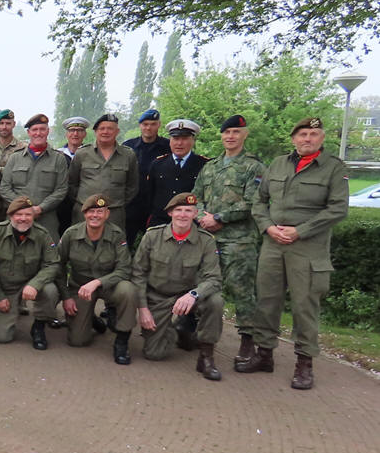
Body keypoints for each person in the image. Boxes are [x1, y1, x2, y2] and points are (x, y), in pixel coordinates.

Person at [240, 117, 349, 390]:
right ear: (293, 138)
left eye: (313, 134)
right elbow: (259, 201)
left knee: (304, 305)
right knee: (267, 300)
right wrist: (267, 227)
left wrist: (300, 231)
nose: (307, 139)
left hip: (308, 247)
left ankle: (304, 363)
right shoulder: (278, 164)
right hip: (274, 243)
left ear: (322, 138)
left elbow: (337, 209)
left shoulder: (333, 168)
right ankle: (264, 354)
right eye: (302, 134)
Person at [193, 114, 267, 365]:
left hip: (239, 241)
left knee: (242, 291)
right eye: (227, 133)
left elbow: (253, 203)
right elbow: (196, 196)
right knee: (205, 286)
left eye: (236, 132)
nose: (231, 137)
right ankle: (201, 336)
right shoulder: (211, 166)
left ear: (244, 135)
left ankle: (247, 341)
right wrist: (203, 216)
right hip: (209, 238)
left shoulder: (254, 167)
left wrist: (220, 217)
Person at [132, 193, 224, 380]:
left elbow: (214, 278)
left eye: (188, 211)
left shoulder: (205, 241)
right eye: (178, 210)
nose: (183, 215)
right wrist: (142, 308)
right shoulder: (152, 236)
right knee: (154, 354)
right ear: (170, 213)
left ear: (195, 214)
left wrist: (193, 294)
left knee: (215, 301)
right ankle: (178, 330)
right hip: (159, 297)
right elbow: (138, 273)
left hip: (189, 297)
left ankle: (206, 357)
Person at [57, 195, 138, 364]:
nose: (95, 215)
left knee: (128, 290)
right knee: (77, 341)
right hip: (80, 288)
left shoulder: (116, 234)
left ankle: (122, 340)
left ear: (107, 214)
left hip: (109, 286)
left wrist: (98, 282)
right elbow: (59, 266)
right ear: (84, 214)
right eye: (91, 211)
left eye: (100, 212)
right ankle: (90, 318)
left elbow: (124, 269)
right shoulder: (71, 234)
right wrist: (66, 297)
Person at [0, 196, 61, 349]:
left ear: (33, 216)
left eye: (28, 214)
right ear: (10, 216)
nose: (23, 218)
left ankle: (39, 326)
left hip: (29, 284)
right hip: (5, 287)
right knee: (2, 337)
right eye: (18, 214)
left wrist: (35, 284)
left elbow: (52, 264)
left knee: (50, 290)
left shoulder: (42, 234)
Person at [1, 113, 69, 236]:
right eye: (35, 130)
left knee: (48, 253)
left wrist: (40, 208)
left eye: (42, 129)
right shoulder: (15, 158)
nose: (38, 133)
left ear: (48, 131)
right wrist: (23, 208)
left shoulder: (58, 159)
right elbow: (4, 188)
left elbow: (61, 190)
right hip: (17, 217)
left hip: (46, 219)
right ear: (29, 133)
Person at [68, 114, 139, 231]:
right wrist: (84, 202)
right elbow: (72, 183)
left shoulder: (128, 155)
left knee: (113, 246)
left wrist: (116, 203)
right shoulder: (82, 154)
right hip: (84, 213)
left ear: (117, 131)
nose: (106, 132)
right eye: (102, 128)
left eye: (110, 128)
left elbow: (132, 186)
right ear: (95, 131)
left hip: (114, 213)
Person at [144, 119, 209, 227]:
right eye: (175, 138)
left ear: (193, 141)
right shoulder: (157, 164)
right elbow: (149, 196)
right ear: (170, 140)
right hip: (161, 224)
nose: (179, 143)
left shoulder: (205, 165)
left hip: (192, 224)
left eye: (184, 139)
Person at [123, 109, 171, 244]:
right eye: (145, 124)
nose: (148, 127)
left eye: (152, 124)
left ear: (159, 125)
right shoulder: (128, 147)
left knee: (156, 246)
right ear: (140, 125)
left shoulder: (168, 146)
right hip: (131, 206)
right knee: (124, 245)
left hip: (156, 207)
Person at [56, 116, 90, 234]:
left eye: (79, 131)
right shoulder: (57, 154)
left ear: (84, 134)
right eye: (72, 131)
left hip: (84, 203)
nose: (75, 134)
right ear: (67, 134)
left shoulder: (91, 154)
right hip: (61, 205)